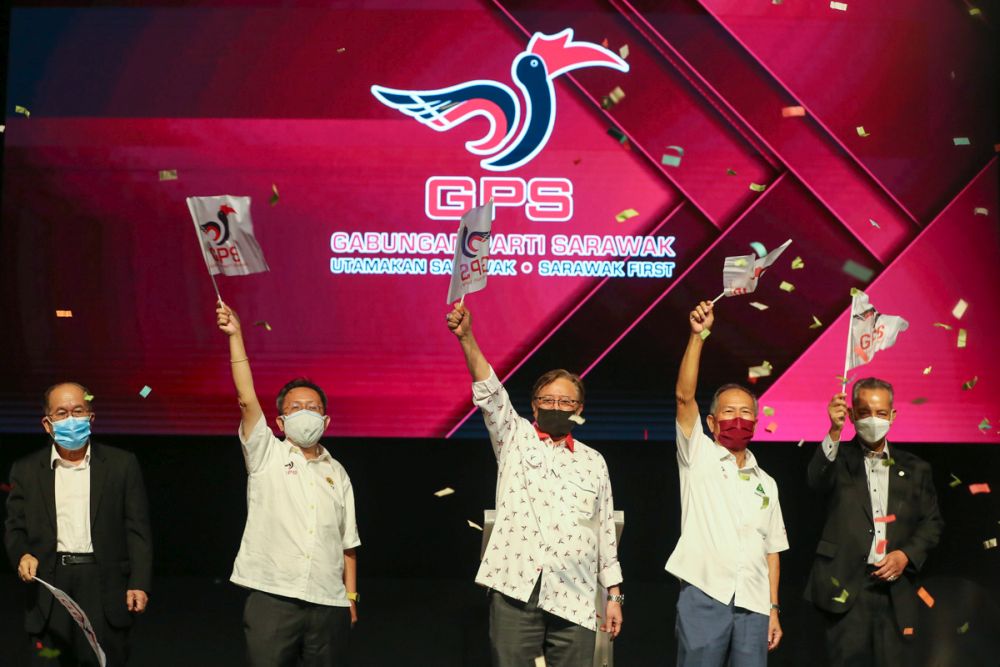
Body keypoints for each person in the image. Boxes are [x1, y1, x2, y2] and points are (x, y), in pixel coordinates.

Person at [446, 302, 623, 667]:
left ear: (579, 409)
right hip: (516, 585)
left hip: (576, 591)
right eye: (549, 400)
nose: (557, 406)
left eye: (566, 401)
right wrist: (466, 338)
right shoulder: (515, 437)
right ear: (534, 404)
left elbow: (604, 531)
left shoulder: (593, 461)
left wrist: (614, 595)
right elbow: (490, 392)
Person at [216, 302, 360, 667]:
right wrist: (236, 337)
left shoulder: (337, 472)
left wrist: (351, 597)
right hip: (273, 597)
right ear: (279, 422)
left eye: (312, 407)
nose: (305, 413)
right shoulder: (266, 454)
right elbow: (246, 398)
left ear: (326, 420)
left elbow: (348, 543)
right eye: (296, 408)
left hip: (329, 602)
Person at [666, 300, 787, 666]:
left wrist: (774, 607)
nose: (739, 418)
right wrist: (697, 335)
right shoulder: (698, 454)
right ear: (713, 421)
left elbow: (773, 550)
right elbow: (683, 397)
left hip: (753, 605)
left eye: (746, 412)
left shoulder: (766, 482)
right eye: (729, 412)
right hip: (705, 594)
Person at [5, 382, 153, 666]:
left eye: (78, 411)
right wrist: (22, 554)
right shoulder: (25, 470)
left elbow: (137, 529)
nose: (71, 419)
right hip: (49, 585)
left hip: (103, 583)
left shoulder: (121, 465)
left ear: (91, 417)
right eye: (61, 413)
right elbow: (15, 527)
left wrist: (140, 583)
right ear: (47, 424)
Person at [806, 379, 943, 667]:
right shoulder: (836, 458)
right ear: (852, 414)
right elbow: (816, 481)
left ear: (893, 416)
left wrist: (906, 554)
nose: (873, 420)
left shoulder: (916, 468)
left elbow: (932, 523)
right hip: (845, 588)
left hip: (896, 592)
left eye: (881, 413)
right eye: (865, 412)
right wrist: (834, 430)